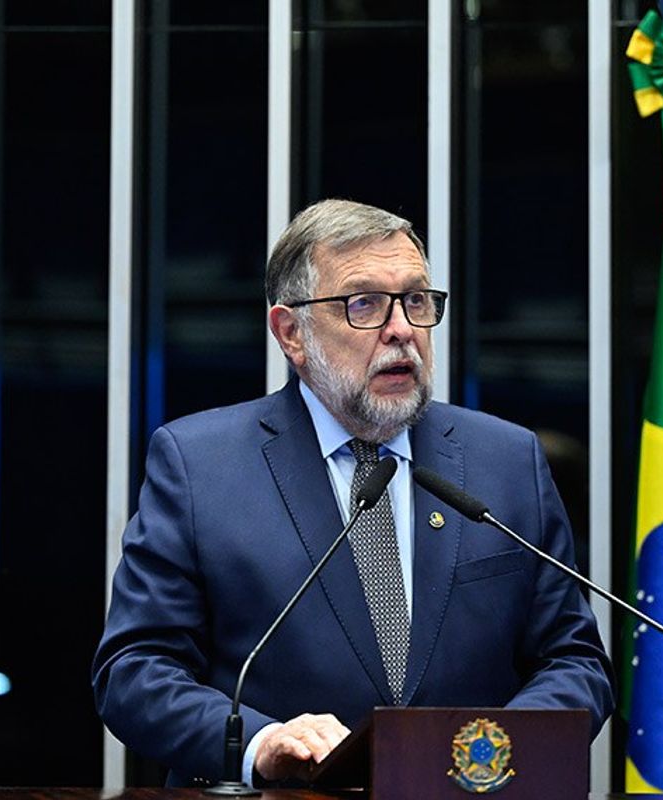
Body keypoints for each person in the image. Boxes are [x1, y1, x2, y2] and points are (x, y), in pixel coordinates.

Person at [92, 199, 614, 786]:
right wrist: (259, 741)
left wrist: (490, 756)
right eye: (364, 304)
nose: (401, 330)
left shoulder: (507, 461)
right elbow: (133, 670)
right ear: (291, 333)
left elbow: (575, 662)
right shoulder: (199, 465)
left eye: (416, 300)